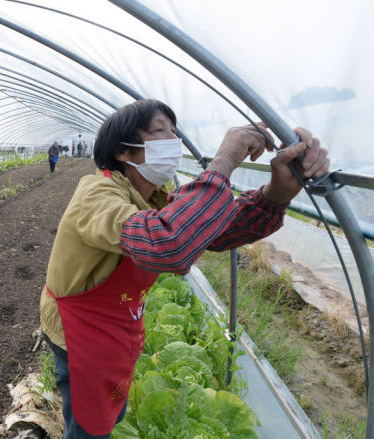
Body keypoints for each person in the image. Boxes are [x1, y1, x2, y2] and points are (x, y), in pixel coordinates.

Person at [39, 99, 329, 438]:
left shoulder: (156, 196)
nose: (173, 141)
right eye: (159, 131)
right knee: (89, 425)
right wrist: (223, 162)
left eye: (174, 132)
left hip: (116, 325)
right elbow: (164, 243)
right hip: (80, 330)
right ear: (123, 151)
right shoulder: (97, 192)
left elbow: (213, 230)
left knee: (109, 415)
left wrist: (276, 193)